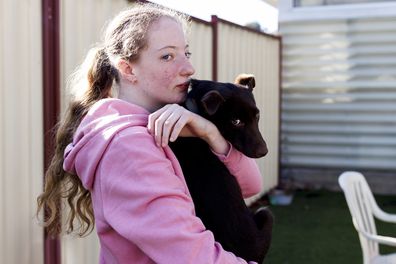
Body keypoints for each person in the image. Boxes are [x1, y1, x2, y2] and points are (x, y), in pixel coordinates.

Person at [37, 3, 263, 264]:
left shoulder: (170, 123)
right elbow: (190, 255)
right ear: (128, 69)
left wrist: (211, 135)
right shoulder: (129, 146)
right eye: (168, 56)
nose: (188, 68)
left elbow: (250, 187)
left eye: (186, 53)